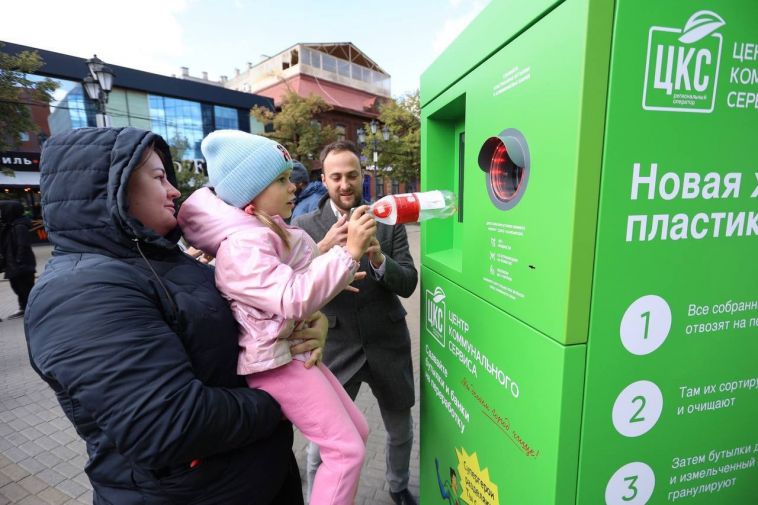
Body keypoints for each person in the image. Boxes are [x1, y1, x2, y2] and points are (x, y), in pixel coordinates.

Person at [26, 127, 326, 504]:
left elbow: (241, 323)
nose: (174, 191)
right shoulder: (79, 292)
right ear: (111, 188)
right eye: (158, 178)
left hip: (247, 480)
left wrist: (307, 324)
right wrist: (287, 400)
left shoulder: (159, 260)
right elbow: (167, 424)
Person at [178, 130, 376, 505]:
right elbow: (291, 296)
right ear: (251, 194)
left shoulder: (264, 232)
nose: (294, 188)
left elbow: (297, 278)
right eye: (282, 180)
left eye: (291, 179)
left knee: (359, 430)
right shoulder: (243, 245)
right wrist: (347, 256)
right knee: (346, 450)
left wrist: (336, 272)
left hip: (287, 352)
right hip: (272, 362)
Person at [293, 140, 419, 505]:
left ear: (363, 176)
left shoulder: (387, 220)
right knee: (322, 446)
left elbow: (409, 283)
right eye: (336, 177)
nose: (345, 184)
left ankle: (397, 486)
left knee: (400, 432)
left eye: (352, 175)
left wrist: (380, 261)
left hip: (387, 343)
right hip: (334, 347)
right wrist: (326, 255)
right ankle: (317, 497)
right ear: (325, 179)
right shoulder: (304, 226)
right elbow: (294, 286)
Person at [0, 200, 36, 320]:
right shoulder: (10, 225)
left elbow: (23, 245)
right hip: (14, 264)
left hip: (21, 264)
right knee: (18, 286)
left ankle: (29, 308)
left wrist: (19, 261)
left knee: (24, 287)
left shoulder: (19, 226)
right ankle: (24, 307)